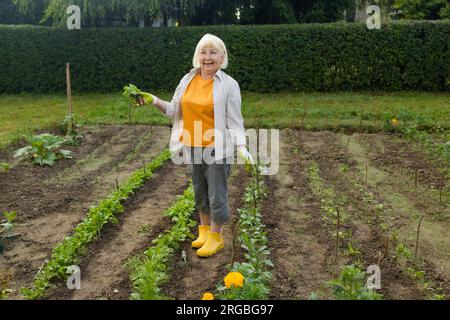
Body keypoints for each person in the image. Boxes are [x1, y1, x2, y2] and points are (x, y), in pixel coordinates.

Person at [141, 33, 253, 258]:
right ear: (197, 56)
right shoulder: (187, 80)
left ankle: (216, 236)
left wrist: (241, 146)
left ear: (222, 58)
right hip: (192, 145)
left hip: (217, 148)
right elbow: (174, 110)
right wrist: (153, 100)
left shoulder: (229, 85)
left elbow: (235, 120)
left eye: (213, 52)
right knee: (200, 191)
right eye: (203, 52)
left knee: (216, 193)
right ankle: (203, 231)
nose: (207, 57)